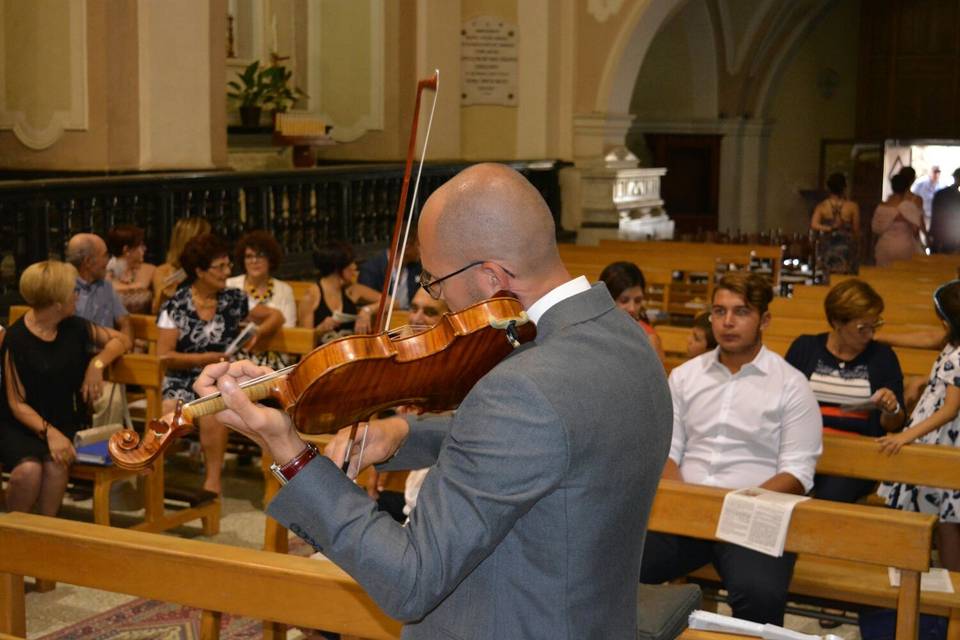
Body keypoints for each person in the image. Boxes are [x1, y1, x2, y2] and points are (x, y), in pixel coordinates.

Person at [193, 162, 672, 638]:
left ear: (490, 277)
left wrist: (291, 454)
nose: (437, 299)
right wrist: (403, 431)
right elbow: (558, 441)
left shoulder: (522, 389)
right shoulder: (625, 337)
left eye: (434, 280)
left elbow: (410, 578)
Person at [640, 271, 822, 625]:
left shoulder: (790, 384)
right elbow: (668, 451)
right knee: (615, 566)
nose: (727, 322)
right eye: (719, 311)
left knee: (760, 594)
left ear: (764, 319)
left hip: (753, 515)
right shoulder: (685, 376)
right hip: (686, 512)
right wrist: (690, 502)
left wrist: (736, 505)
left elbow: (797, 472)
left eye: (741, 312)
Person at [0, 260, 131, 516]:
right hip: (19, 424)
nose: (77, 295)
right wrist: (51, 434)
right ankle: (15, 537)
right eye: (73, 290)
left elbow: (122, 340)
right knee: (29, 471)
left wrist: (97, 363)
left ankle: (48, 534)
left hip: (62, 419)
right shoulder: (16, 339)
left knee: (57, 465)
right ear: (57, 302)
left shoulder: (76, 328)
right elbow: (16, 403)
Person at [157, 234, 284, 494]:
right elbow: (165, 355)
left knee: (214, 405)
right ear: (200, 271)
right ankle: (154, 477)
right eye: (220, 267)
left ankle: (212, 482)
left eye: (228, 266)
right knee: (168, 408)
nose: (228, 272)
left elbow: (275, 315)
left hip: (223, 378)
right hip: (183, 377)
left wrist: (257, 335)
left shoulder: (234, 299)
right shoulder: (176, 305)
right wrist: (205, 359)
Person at [785, 279, 906, 502]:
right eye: (862, 328)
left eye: (875, 325)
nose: (870, 335)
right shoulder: (805, 348)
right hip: (802, 451)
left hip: (855, 458)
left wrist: (891, 408)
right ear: (837, 322)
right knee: (778, 490)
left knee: (830, 497)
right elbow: (782, 404)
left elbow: (894, 424)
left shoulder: (882, 357)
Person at [878, 280, 960, 571]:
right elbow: (928, 340)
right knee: (942, 515)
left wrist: (905, 436)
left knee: (948, 519)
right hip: (939, 435)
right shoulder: (953, 344)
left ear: (946, 321)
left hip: (943, 439)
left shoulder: (957, 355)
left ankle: (950, 588)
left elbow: (950, 409)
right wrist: (879, 337)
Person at [66, 233, 134, 426]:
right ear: (88, 261)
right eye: (105, 255)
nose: (109, 260)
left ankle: (103, 452)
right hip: (68, 364)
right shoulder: (64, 287)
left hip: (105, 362)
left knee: (111, 399)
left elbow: (125, 324)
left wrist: (109, 358)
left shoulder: (106, 287)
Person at [226, 230, 297, 369]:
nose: (254, 261)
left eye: (260, 255)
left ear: (270, 260)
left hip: (274, 356)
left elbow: (289, 330)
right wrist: (269, 322)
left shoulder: (284, 290)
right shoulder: (230, 285)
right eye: (249, 256)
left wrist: (252, 323)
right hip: (236, 356)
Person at [297, 242, 380, 340]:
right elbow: (304, 342)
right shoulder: (311, 296)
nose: (355, 267)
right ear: (337, 268)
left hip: (351, 351)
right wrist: (320, 329)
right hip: (322, 352)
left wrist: (367, 311)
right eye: (350, 263)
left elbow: (392, 302)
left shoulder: (353, 290)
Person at [598, 261, 666, 364]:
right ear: (606, 299)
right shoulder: (593, 331)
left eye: (638, 300)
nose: (632, 308)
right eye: (624, 300)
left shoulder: (650, 340)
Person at [152, 217, 212, 313]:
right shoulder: (164, 271)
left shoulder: (211, 268)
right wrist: (165, 295)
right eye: (205, 238)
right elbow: (156, 310)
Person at [359, 228, 422, 310]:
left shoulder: (416, 267)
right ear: (407, 247)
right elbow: (364, 303)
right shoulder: (371, 270)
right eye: (418, 244)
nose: (421, 249)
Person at [810, 172, 860, 274]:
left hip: (828, 245)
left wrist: (829, 228)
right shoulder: (852, 206)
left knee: (827, 273)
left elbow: (814, 224)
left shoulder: (822, 206)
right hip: (846, 246)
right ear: (844, 187)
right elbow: (856, 229)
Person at [873, 173, 925, 267]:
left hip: (884, 247)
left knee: (885, 276)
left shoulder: (881, 207)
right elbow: (916, 231)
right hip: (905, 247)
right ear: (906, 188)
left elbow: (875, 229)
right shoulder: (909, 207)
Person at [106, 224, 156, 314]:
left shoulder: (150, 270)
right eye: (140, 245)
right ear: (126, 250)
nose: (145, 249)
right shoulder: (104, 274)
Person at [930, 168, 960, 254]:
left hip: (939, 233)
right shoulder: (956, 196)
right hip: (950, 235)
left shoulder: (941, 193)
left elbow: (934, 215)